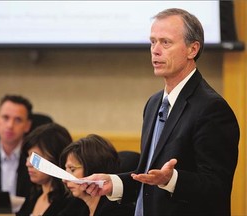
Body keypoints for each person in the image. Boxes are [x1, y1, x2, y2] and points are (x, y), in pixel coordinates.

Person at [79, 8, 240, 216]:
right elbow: (147, 175)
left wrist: (172, 180)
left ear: (193, 49)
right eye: (152, 42)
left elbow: (216, 187)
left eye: (166, 42)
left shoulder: (211, 109)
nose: (155, 50)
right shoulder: (154, 103)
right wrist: (113, 183)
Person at [17, 122, 86, 216]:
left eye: (36, 158)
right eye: (28, 156)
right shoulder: (33, 195)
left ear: (56, 158)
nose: (28, 163)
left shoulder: (72, 203)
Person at [59, 134, 135, 216]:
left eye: (72, 169)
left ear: (93, 168)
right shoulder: (77, 205)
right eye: (65, 170)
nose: (64, 180)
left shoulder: (119, 211)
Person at [0, 94, 33, 197]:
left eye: (18, 120)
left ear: (27, 126)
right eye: (5, 118)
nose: (10, 125)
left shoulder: (35, 159)